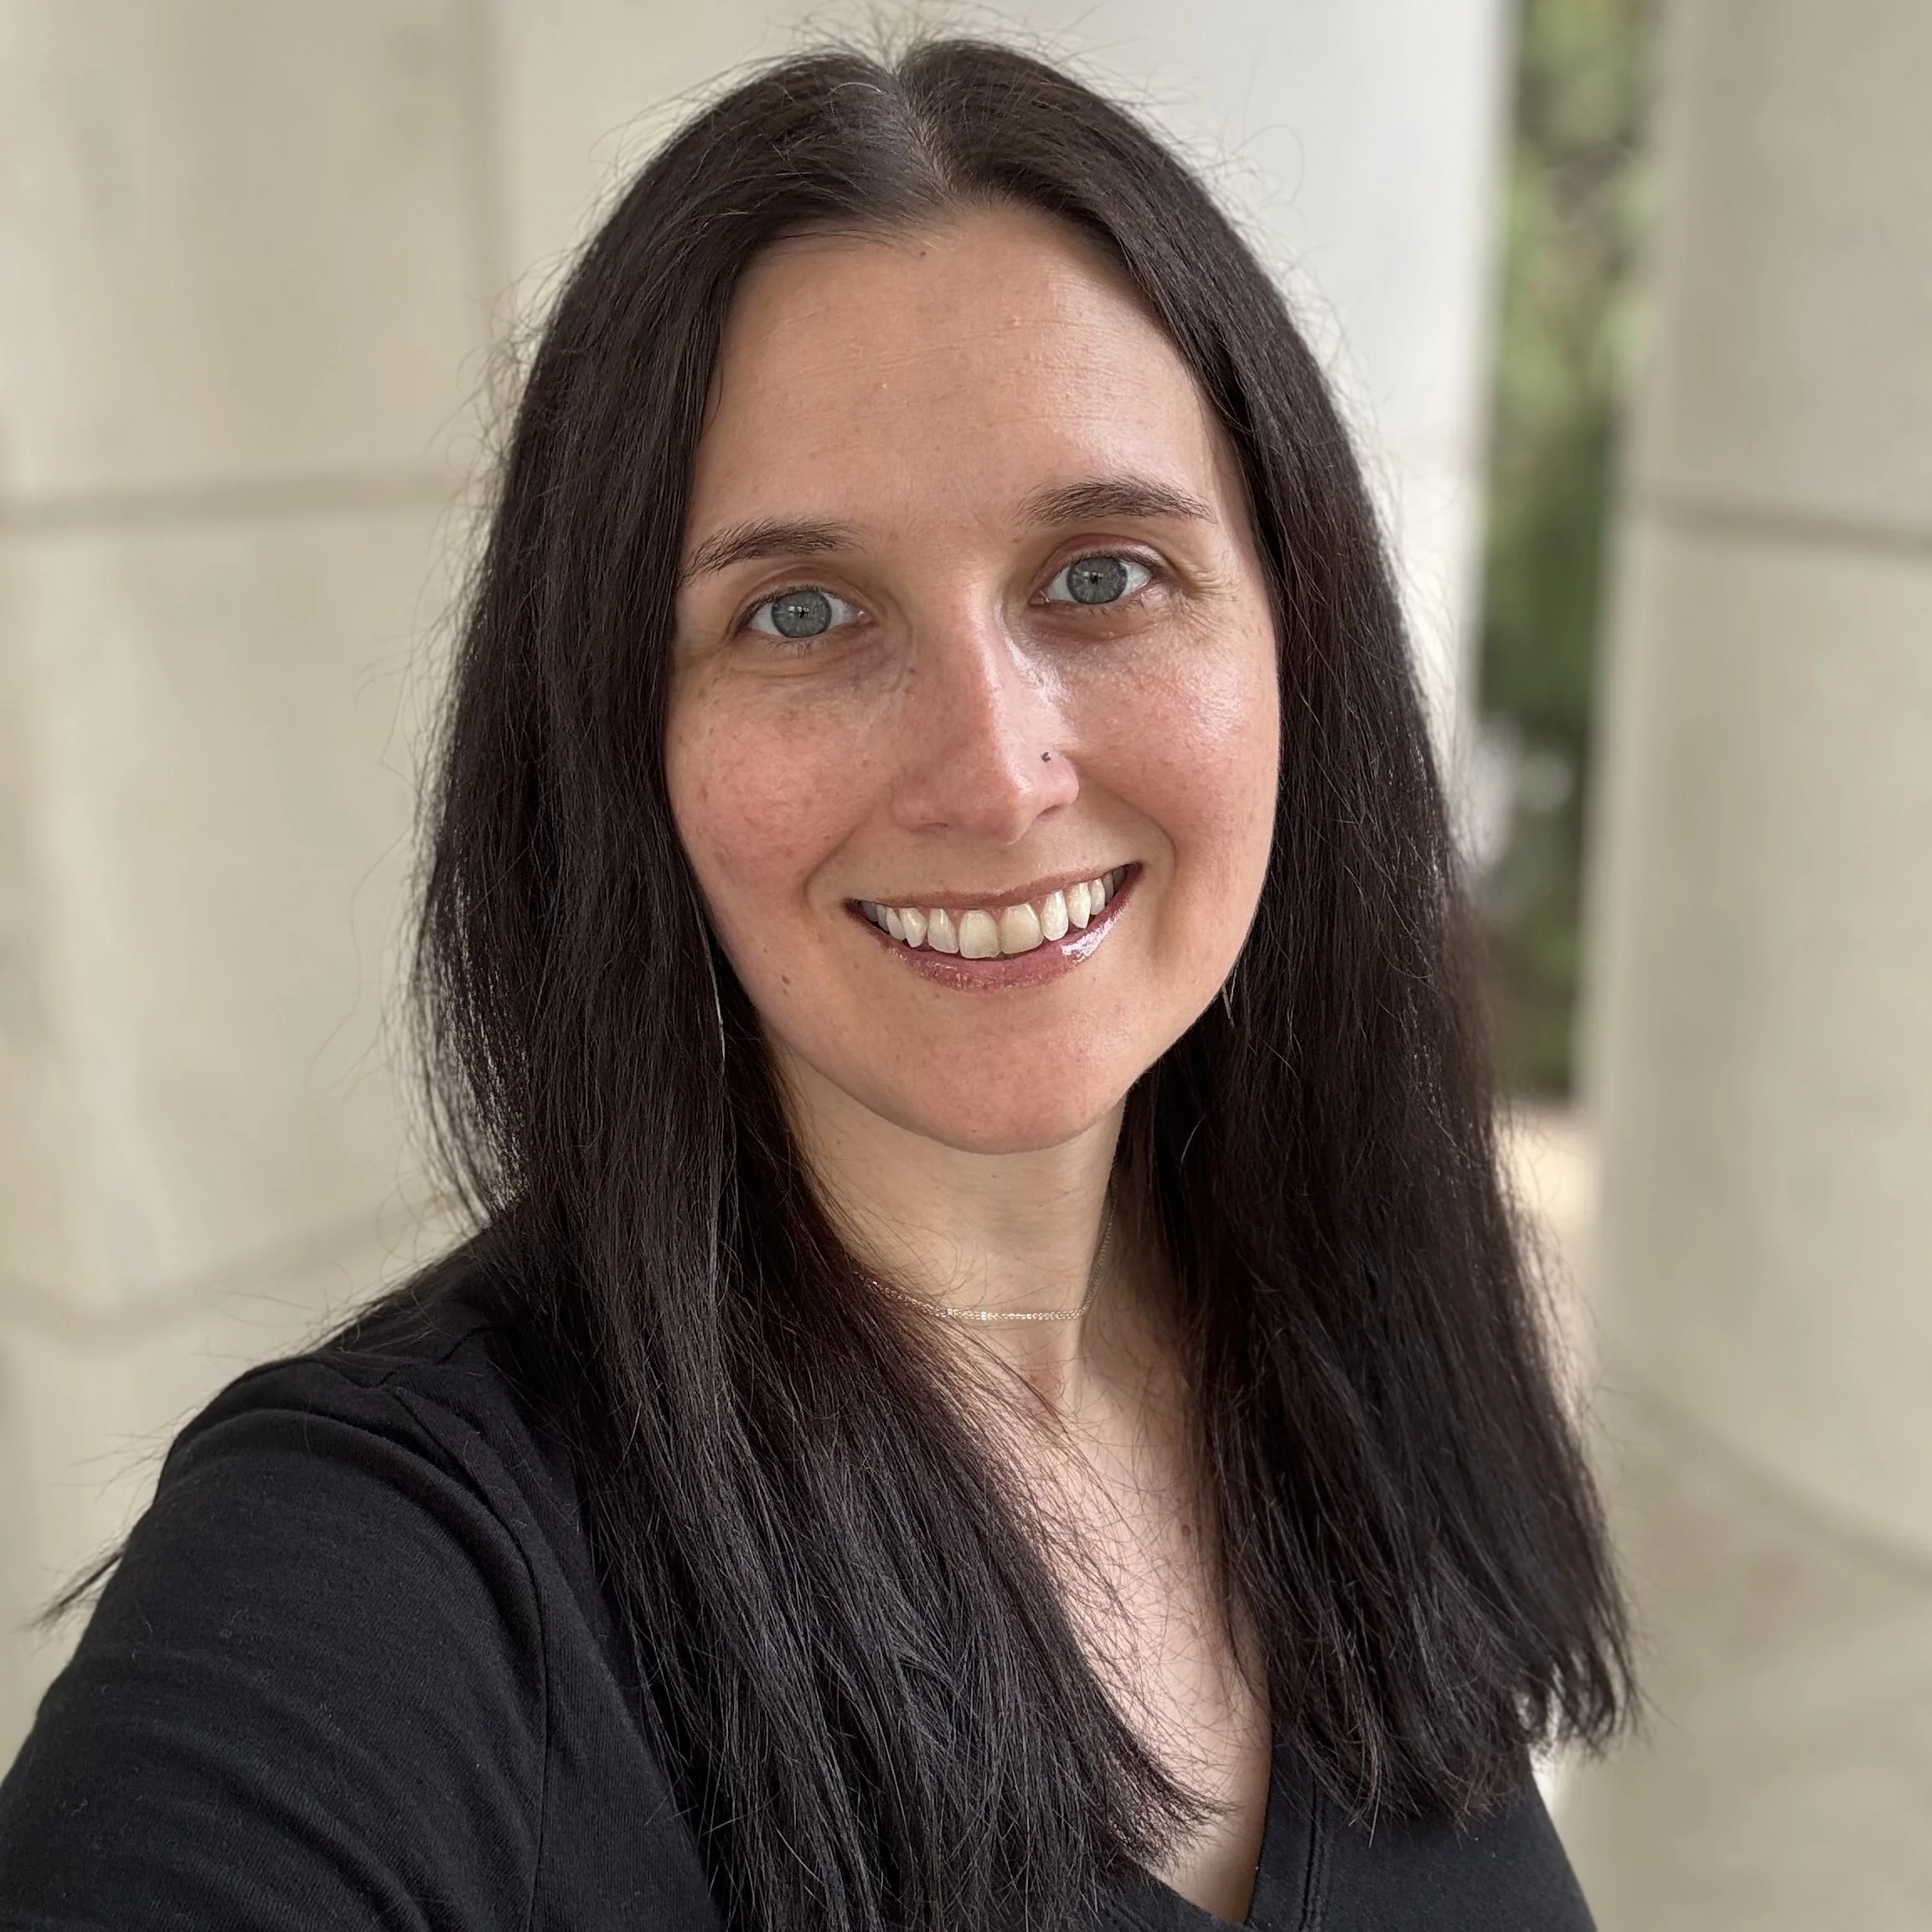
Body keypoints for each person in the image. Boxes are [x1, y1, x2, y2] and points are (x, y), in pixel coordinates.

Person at [0, 39, 1633, 1932]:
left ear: (1296, 640)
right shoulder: (372, 1580)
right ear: (623, 743)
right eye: (800, 612)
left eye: (1101, 574)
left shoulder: (1342, 1352)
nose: (995, 768)